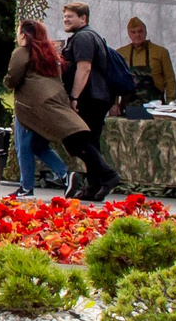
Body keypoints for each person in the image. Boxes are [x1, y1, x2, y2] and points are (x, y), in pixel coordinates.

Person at [10, 18, 115, 202]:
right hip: (53, 106)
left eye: (19, 33)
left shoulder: (22, 52)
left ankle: (26, 187)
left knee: (23, 146)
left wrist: (7, 82)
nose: (18, 37)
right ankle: (65, 175)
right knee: (39, 145)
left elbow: (13, 78)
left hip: (31, 106)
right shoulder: (50, 54)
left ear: (24, 35)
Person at [59, 3, 117, 153]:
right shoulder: (90, 35)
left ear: (83, 18)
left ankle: (104, 175)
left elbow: (84, 69)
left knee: (80, 140)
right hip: (96, 97)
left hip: (90, 99)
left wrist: (74, 97)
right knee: (88, 141)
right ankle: (97, 175)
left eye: (70, 16)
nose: (66, 19)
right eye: (65, 16)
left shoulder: (83, 37)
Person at [118, 17, 175, 117]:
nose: (137, 35)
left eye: (140, 31)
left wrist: (171, 103)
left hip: (156, 107)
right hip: (129, 107)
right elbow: (115, 81)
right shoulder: (121, 53)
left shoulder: (160, 52)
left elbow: (170, 79)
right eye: (133, 32)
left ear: (145, 31)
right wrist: (114, 105)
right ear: (128, 33)